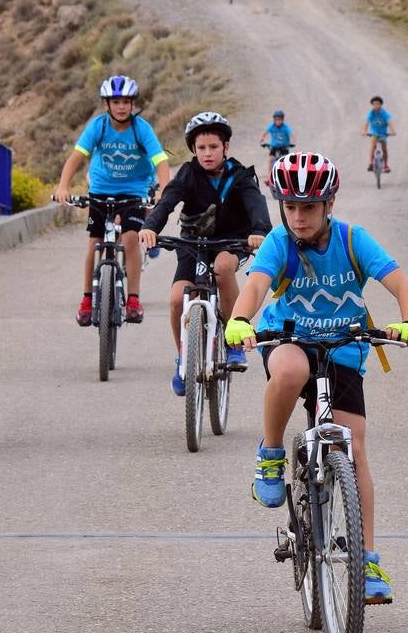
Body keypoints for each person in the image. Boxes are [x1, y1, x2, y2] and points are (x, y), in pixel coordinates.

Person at [224, 152, 408, 603]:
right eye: (290, 206)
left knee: (353, 450)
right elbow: (255, 286)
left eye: (308, 207)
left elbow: (401, 283)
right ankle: (271, 450)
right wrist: (239, 320)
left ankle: (367, 560)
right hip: (288, 338)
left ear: (328, 203)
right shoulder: (279, 242)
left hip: (343, 348)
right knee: (292, 369)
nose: (298, 216)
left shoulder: (354, 240)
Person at [138, 112, 272, 395]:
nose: (207, 153)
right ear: (193, 150)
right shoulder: (188, 173)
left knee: (223, 269)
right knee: (177, 299)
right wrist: (150, 227)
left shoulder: (241, 175)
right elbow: (167, 202)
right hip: (193, 243)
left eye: (214, 147)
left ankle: (234, 340)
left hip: (231, 242)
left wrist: (259, 230)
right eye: (201, 148)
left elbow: (257, 206)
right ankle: (183, 358)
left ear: (226, 147)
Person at [54, 75, 170, 326]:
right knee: (94, 241)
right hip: (101, 189)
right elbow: (77, 157)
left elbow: (160, 161)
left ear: (133, 104)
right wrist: (63, 186)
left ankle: (133, 300)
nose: (121, 106)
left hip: (134, 191)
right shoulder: (99, 126)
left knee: (130, 238)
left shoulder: (141, 129)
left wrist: (162, 189)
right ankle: (86, 299)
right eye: (115, 101)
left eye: (126, 101)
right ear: (107, 104)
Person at [259, 109, 294, 182]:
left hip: (284, 147)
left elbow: (292, 134)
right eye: (276, 119)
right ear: (274, 119)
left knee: (287, 161)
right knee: (270, 159)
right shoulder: (271, 126)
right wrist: (261, 140)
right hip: (274, 147)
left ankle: (289, 177)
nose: (278, 121)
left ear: (283, 119)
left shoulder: (285, 127)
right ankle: (269, 177)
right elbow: (264, 133)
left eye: (279, 119)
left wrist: (293, 141)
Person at [362, 96, 396, 172]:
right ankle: (371, 163)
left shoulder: (384, 113)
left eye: (377, 104)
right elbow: (366, 123)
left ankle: (386, 165)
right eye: (374, 104)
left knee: (384, 149)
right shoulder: (371, 113)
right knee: (373, 146)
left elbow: (389, 123)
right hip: (374, 132)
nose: (376, 105)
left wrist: (392, 131)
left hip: (383, 132)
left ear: (381, 105)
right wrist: (364, 131)